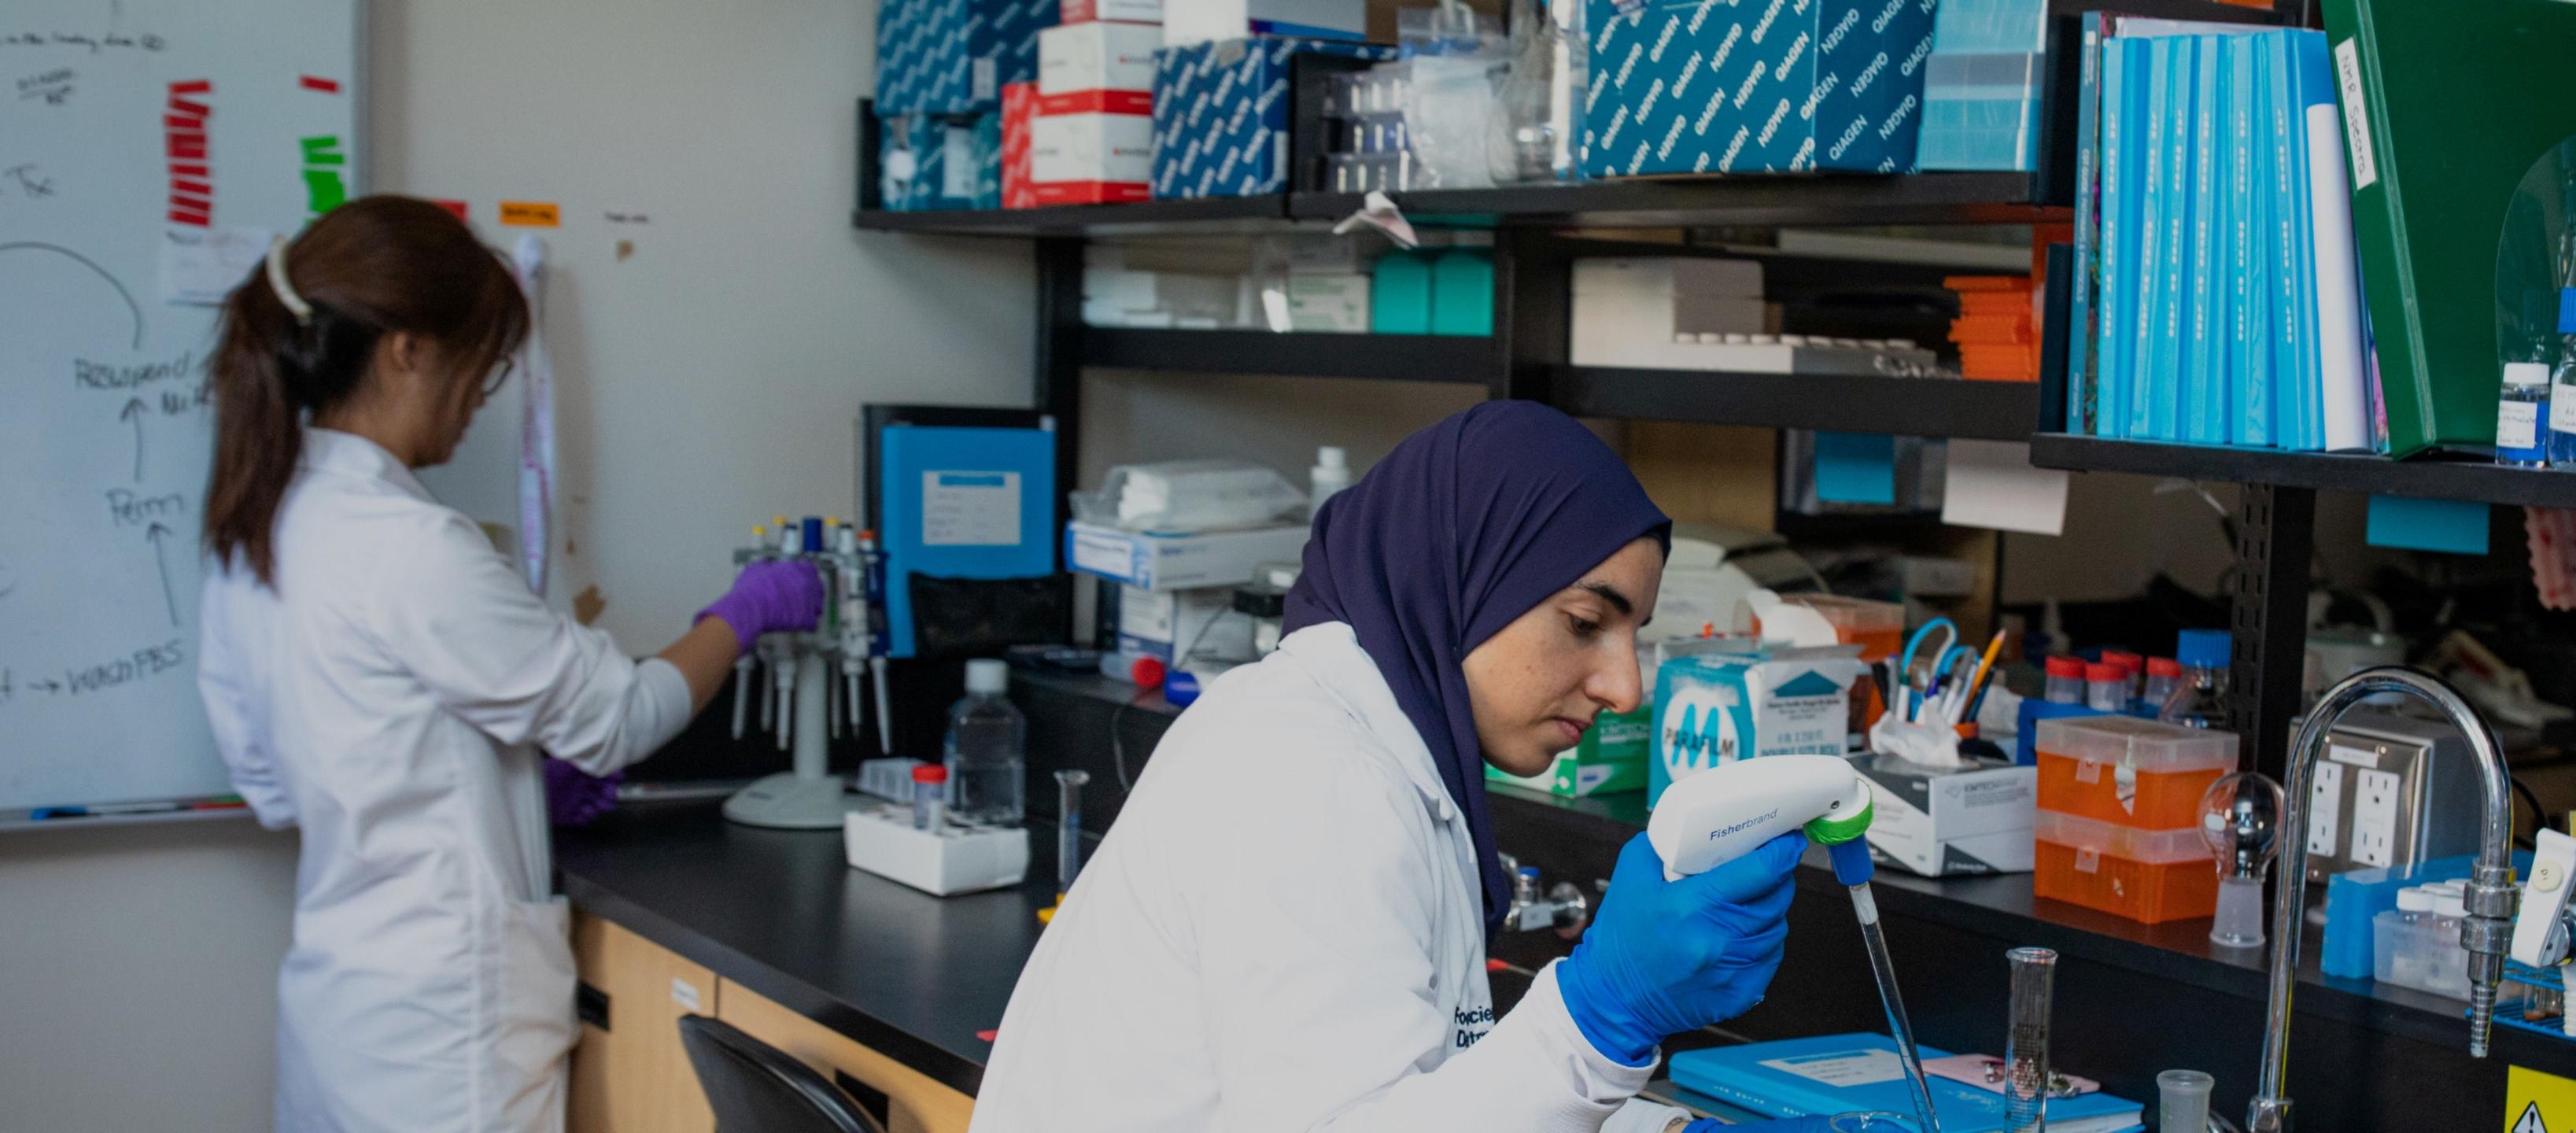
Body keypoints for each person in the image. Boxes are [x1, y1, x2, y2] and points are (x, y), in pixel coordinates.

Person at [975, 402, 1840, 1131]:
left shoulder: (1359, 743)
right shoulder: (1310, 777)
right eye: (1585, 623)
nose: (1624, 687)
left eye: (1634, 636)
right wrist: (1598, 1019)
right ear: (1460, 579)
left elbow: (1396, 1095)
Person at [194, 195, 825, 1133]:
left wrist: (500, 781)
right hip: (446, 1036)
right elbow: (622, 717)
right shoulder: (410, 546)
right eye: (482, 367)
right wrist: (741, 614)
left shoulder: (255, 530)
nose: (477, 402)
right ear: (407, 350)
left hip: (340, 1013)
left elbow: (273, 786)